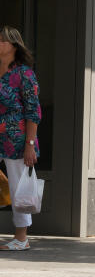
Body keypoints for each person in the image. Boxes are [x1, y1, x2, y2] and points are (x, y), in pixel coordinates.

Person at [0, 26, 41, 251]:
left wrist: (30, 145)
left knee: (19, 188)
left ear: (13, 46)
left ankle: (21, 238)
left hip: (16, 139)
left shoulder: (24, 74)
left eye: (1, 41)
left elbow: (33, 111)